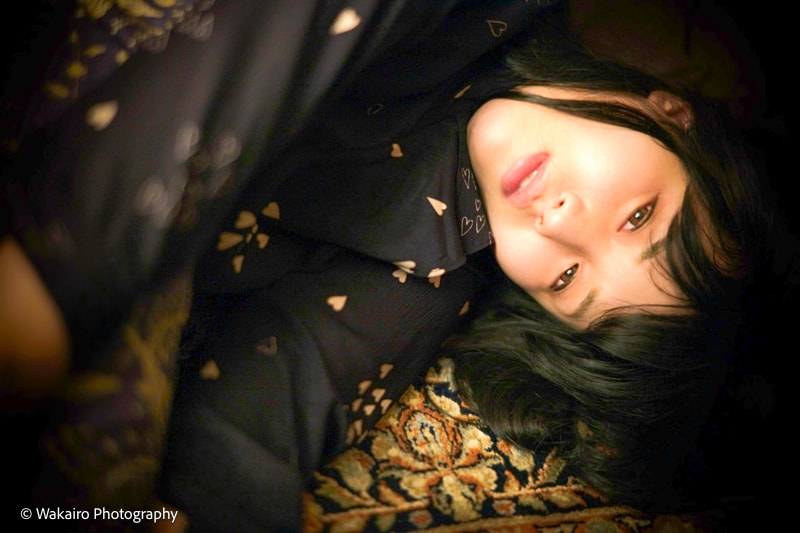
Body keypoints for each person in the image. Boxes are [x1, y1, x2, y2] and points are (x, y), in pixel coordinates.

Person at [1, 0, 788, 530]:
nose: (557, 224)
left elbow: (255, 419)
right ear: (668, 112)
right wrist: (62, 275)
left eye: (567, 281)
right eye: (640, 215)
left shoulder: (431, 275)